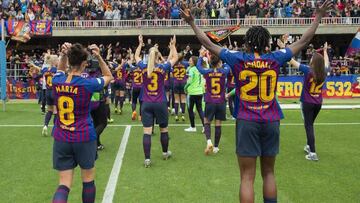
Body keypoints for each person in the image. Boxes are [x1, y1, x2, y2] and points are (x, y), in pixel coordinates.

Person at [182, 0, 332, 202]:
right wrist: (319, 17)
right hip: (271, 120)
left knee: (247, 177)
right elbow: (304, 41)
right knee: (269, 173)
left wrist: (192, 23)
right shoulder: (276, 57)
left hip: (247, 120)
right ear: (267, 43)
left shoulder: (237, 58)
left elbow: (208, 44)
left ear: (247, 42)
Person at [51, 43, 113, 203]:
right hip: (83, 136)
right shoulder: (87, 84)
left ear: (69, 61)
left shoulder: (57, 81)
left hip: (62, 136)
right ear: (85, 63)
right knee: (88, 179)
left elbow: (59, 69)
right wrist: (99, 56)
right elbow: (108, 76)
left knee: (64, 184)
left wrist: (64, 55)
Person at [135, 35, 178, 167]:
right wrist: (173, 45)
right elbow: (175, 58)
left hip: (146, 103)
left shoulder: (143, 66)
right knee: (163, 129)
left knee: (147, 132)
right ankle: (165, 153)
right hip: (160, 102)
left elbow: (136, 56)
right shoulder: (163, 67)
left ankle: (147, 159)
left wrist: (140, 44)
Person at [289, 42, 328, 161]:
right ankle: (309, 146)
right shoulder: (324, 71)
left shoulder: (308, 70)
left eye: (311, 58)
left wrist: (283, 48)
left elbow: (291, 61)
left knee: (308, 126)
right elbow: (326, 62)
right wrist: (325, 51)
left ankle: (313, 153)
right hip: (318, 102)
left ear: (314, 62)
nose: (310, 59)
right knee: (310, 125)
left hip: (307, 102)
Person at [196, 51, 230, 155]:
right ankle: (215, 147)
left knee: (207, 122)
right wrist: (224, 60)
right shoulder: (224, 72)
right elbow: (229, 64)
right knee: (218, 124)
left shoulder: (207, 72)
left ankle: (209, 141)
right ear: (219, 62)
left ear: (211, 62)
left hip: (210, 101)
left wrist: (201, 56)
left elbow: (198, 67)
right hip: (221, 101)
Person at [184, 55, 205, 133]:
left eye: (190, 60)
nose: (189, 62)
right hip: (199, 92)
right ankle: (204, 127)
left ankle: (193, 127)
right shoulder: (200, 69)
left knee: (190, 110)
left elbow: (189, 81)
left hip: (192, 92)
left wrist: (185, 88)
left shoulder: (191, 69)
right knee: (200, 110)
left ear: (194, 62)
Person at [40, 54, 58, 136]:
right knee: (56, 111)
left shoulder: (45, 69)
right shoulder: (56, 70)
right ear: (54, 61)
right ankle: (54, 130)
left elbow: (41, 70)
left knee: (49, 110)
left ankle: (45, 126)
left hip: (47, 91)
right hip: (55, 91)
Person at [173, 54, 189, 122]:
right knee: (183, 99)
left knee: (176, 99)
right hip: (183, 82)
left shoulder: (174, 64)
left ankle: (176, 115)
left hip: (176, 82)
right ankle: (182, 115)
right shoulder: (185, 63)